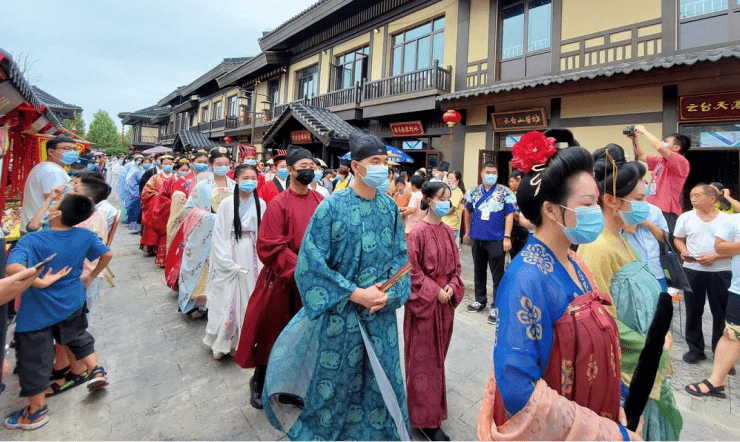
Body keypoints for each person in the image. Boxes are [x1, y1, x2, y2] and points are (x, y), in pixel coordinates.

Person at [477, 130, 642, 441]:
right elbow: (517, 389)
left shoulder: (576, 263)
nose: (597, 212)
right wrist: (604, 433)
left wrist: (621, 403)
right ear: (551, 210)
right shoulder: (525, 280)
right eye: (588, 203)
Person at [262, 131, 410, 441]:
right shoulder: (331, 208)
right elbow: (311, 265)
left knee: (382, 386)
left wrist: (390, 294)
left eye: (385, 162)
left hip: (380, 318)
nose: (383, 168)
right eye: (375, 162)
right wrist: (356, 293)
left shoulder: (389, 209)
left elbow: (401, 259)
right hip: (342, 320)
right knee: (337, 385)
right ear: (356, 166)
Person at [578, 143, 682, 440]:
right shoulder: (598, 246)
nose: (645, 206)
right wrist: (650, 345)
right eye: (639, 199)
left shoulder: (621, 239)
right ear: (611, 200)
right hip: (627, 369)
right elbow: (598, 315)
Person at [5, 194, 112, 431]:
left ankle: (35, 412)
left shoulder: (33, 240)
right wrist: (90, 276)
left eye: (56, 203)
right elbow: (107, 254)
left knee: (35, 358)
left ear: (58, 213)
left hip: (37, 310)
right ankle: (94, 369)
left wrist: (40, 281)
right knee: (77, 335)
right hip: (72, 299)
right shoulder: (84, 235)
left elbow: (13, 267)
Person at [235, 146, 324, 409]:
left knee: (301, 338)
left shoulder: (320, 201)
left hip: (310, 283)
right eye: (304, 165)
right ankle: (259, 381)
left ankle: (289, 386)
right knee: (272, 332)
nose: (309, 170)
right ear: (290, 170)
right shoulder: (279, 204)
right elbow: (270, 246)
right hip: (282, 281)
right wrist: (304, 268)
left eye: (312, 165)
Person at [405, 181, 464, 441]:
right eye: (441, 198)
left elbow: (457, 268)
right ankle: (425, 421)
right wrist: (433, 290)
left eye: (448, 199)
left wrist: (451, 285)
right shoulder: (416, 233)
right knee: (423, 362)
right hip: (426, 306)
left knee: (437, 359)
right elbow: (410, 272)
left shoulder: (448, 232)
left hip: (444, 306)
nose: (446, 204)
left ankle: (433, 411)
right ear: (428, 199)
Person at [204, 164, 266, 360]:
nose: (250, 181)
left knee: (249, 298)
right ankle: (222, 342)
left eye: (253, 178)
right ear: (237, 180)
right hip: (229, 252)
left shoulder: (261, 203)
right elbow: (219, 233)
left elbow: (264, 233)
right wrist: (225, 260)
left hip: (253, 255)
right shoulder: (226, 204)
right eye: (245, 177)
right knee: (227, 299)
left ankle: (243, 341)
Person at [674, 184, 733, 364]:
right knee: (693, 311)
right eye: (691, 195)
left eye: (697, 195)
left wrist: (716, 256)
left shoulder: (728, 220)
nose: (692, 198)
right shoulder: (685, 217)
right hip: (693, 270)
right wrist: (683, 251)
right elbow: (678, 239)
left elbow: (737, 248)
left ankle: (720, 353)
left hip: (721, 271)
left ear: (712, 199)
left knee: (721, 313)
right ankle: (695, 349)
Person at [686, 210, 740, 397]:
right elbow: (720, 247)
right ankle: (716, 380)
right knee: (731, 333)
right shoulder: (734, 220)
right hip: (738, 289)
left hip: (724, 276)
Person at [178, 147, 235, 317]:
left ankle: (221, 303)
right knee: (202, 268)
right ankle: (200, 303)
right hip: (206, 233)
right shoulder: (202, 186)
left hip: (228, 233)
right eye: (219, 164)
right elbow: (189, 208)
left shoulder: (234, 185)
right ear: (211, 165)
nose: (223, 167)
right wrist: (210, 218)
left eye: (226, 164)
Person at [463, 163, 516, 325]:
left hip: (497, 239)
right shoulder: (473, 191)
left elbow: (510, 215)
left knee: (497, 274)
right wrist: (467, 230)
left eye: (494, 172)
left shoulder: (505, 192)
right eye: (488, 172)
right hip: (477, 237)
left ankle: (497, 306)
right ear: (481, 174)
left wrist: (507, 237)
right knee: (479, 270)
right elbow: (467, 211)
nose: (491, 175)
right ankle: (480, 299)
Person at [630, 125, 691, 235]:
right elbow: (641, 155)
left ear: (676, 147)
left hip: (666, 211)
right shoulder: (660, 161)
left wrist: (644, 131)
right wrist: (635, 139)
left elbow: (659, 148)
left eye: (666, 141)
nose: (662, 143)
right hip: (652, 208)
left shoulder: (681, 161)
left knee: (665, 244)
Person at [165, 152, 209, 291]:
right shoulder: (182, 181)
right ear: (192, 162)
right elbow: (178, 202)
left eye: (205, 162)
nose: (202, 164)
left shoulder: (211, 180)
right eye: (199, 161)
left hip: (207, 225)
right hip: (187, 224)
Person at [20, 135, 74, 234]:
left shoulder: (46, 167)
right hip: (41, 231)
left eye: (74, 149)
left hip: (35, 229)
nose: (72, 152)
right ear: (51, 152)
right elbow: (55, 204)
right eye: (66, 149)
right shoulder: (53, 171)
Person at [622, 186, 670, 292]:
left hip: (656, 269)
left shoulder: (655, 210)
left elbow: (664, 239)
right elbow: (629, 230)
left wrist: (648, 224)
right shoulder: (621, 210)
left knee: (661, 305)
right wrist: (633, 217)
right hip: (632, 272)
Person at [140, 155, 177, 264]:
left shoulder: (176, 177)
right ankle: (153, 247)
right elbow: (146, 192)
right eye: (166, 164)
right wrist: (158, 197)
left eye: (170, 164)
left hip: (172, 206)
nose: (168, 166)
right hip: (156, 207)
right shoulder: (155, 177)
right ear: (161, 164)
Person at [507, 170, 532, 258]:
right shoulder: (509, 196)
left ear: (519, 180)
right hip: (513, 230)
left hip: (524, 231)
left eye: (512, 181)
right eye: (509, 182)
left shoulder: (527, 195)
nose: (510, 184)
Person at [122, 157, 150, 233]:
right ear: (141, 164)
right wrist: (138, 193)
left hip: (147, 195)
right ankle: (134, 228)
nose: (147, 164)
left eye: (149, 163)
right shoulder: (137, 172)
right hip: (137, 194)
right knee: (135, 211)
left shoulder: (151, 172)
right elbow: (132, 184)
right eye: (145, 162)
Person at [442, 171, 466, 246]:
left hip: (451, 226)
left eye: (451, 178)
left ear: (457, 180)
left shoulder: (458, 193)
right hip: (445, 223)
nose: (449, 180)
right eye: (448, 178)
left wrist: (439, 212)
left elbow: (450, 209)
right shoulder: (451, 191)